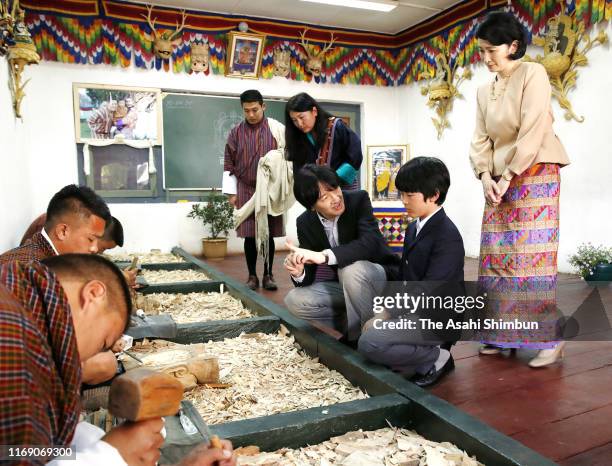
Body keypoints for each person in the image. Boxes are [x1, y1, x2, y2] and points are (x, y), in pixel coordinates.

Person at [0, 254, 236, 466]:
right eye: (104, 342)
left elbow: (18, 452)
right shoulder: (11, 331)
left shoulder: (22, 299)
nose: (91, 357)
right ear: (93, 294)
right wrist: (111, 454)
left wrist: (98, 444)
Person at [469, 12, 570, 367]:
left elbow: (532, 128)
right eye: (481, 51)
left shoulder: (533, 73)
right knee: (496, 258)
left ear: (513, 46)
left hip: (534, 171)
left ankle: (551, 338)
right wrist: (484, 176)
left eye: (491, 50)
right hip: (497, 179)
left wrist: (509, 175)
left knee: (531, 259)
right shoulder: (484, 91)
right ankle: (501, 336)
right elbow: (480, 139)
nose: (486, 58)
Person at [358, 157, 464, 387]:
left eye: (410, 195)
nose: (403, 201)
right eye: (401, 194)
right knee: (366, 331)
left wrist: (387, 314)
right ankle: (419, 352)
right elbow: (405, 278)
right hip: (415, 310)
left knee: (370, 343)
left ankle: (439, 357)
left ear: (434, 194)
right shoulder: (415, 226)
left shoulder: (447, 236)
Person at [283, 164, 399, 343]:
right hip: (348, 287)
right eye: (324, 197)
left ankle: (361, 340)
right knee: (295, 300)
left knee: (350, 270)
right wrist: (299, 272)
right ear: (312, 206)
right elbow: (309, 274)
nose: (336, 198)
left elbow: (369, 243)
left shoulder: (358, 200)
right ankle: (357, 327)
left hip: (382, 282)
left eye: (335, 188)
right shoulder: (305, 222)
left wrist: (324, 256)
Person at [223, 90, 286, 291]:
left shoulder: (277, 130)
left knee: (269, 234)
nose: (251, 114)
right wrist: (231, 193)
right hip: (246, 189)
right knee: (250, 235)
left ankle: (268, 275)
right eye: (246, 110)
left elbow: (287, 158)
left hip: (271, 189)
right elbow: (228, 163)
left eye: (255, 110)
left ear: (263, 106)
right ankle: (252, 276)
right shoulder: (235, 133)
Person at [1, 184, 110, 265]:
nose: (95, 249)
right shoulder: (27, 270)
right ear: (62, 231)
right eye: (90, 239)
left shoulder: (52, 259)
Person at [285, 93, 362, 189]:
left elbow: (355, 156)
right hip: (316, 193)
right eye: (294, 120)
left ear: (314, 111)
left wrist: (332, 178)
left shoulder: (337, 127)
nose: (299, 124)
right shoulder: (298, 138)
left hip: (342, 188)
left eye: (301, 117)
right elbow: (299, 172)